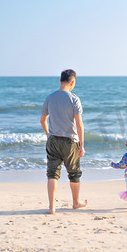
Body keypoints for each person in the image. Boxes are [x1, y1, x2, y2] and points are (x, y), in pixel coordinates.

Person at [40, 69, 87, 214]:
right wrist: (81, 145)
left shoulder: (50, 98)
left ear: (60, 81)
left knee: (52, 174)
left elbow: (42, 120)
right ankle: (75, 202)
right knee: (74, 173)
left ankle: (51, 207)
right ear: (72, 82)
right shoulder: (74, 99)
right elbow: (79, 124)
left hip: (53, 140)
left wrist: (49, 134)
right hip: (70, 141)